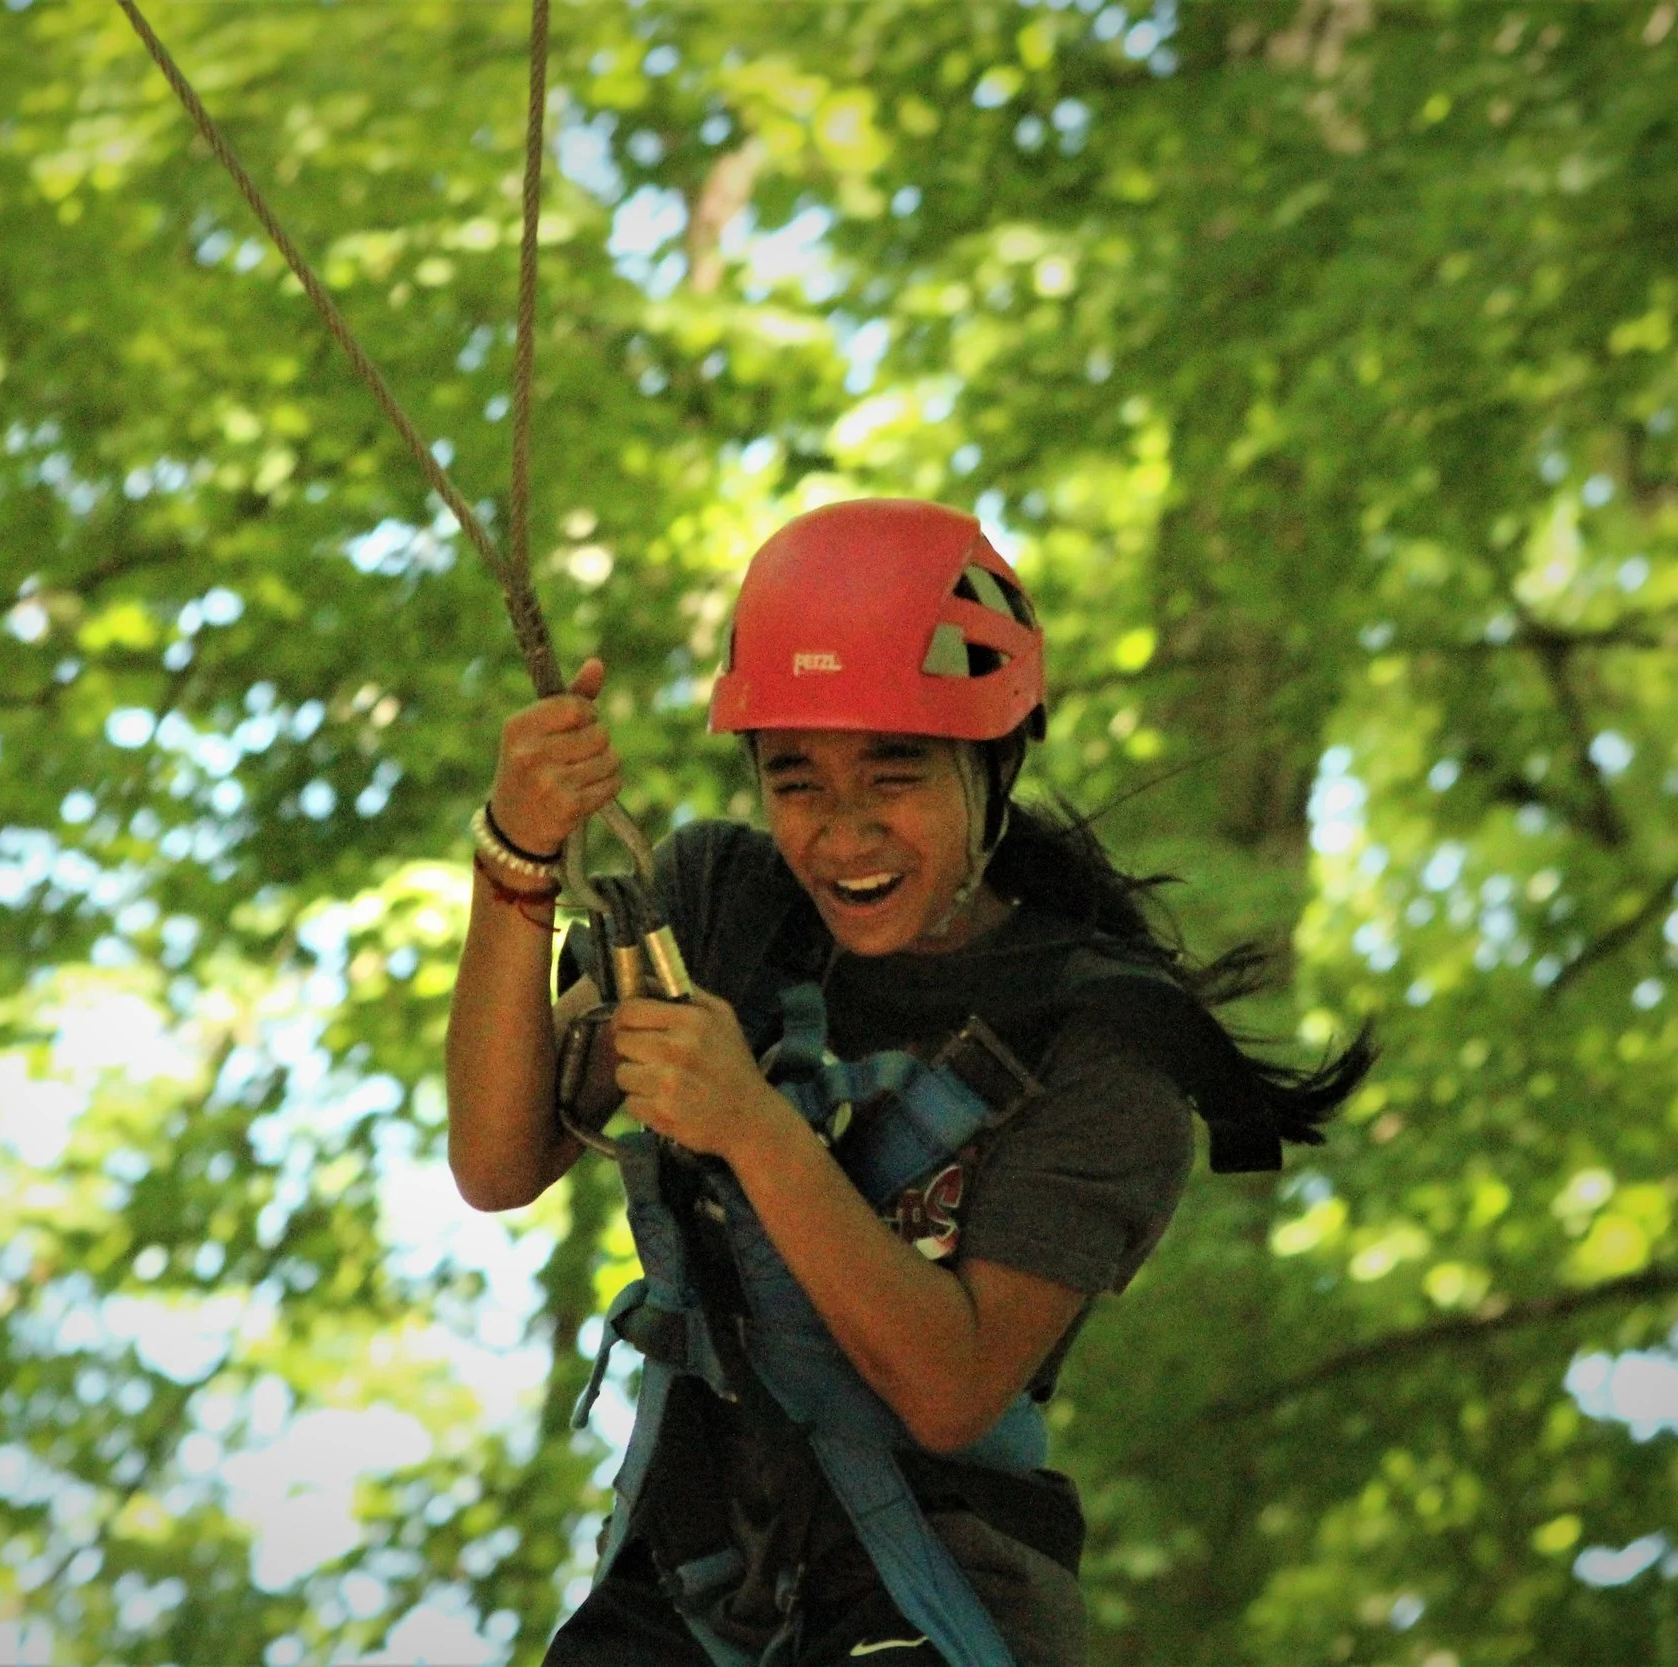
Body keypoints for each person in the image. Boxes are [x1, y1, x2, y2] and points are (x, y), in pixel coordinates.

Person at [444, 500, 1372, 1666]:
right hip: (685, 1584)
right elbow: (495, 1160)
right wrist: (517, 862)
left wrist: (751, 1123)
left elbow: (951, 1387)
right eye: (797, 782)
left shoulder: (1101, 1047)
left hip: (932, 1602)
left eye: (895, 775)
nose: (843, 835)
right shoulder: (721, 906)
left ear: (991, 770)